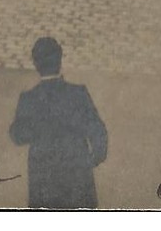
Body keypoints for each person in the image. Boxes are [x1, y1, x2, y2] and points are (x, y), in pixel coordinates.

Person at [8, 36, 108, 209]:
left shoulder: (29, 99)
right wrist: (93, 159)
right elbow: (97, 130)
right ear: (60, 60)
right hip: (77, 171)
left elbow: (18, 136)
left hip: (43, 175)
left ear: (36, 64)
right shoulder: (78, 93)